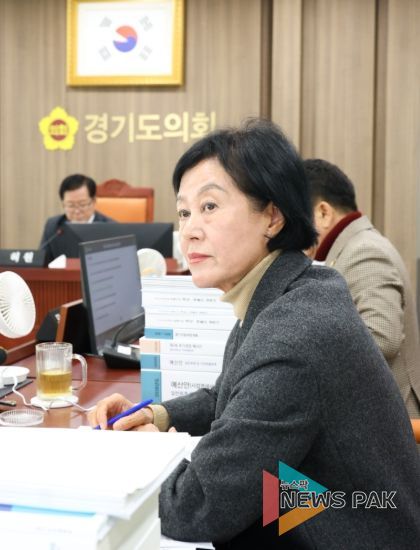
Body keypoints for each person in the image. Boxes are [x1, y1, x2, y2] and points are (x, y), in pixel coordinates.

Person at [89, 120, 420, 549]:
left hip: (351, 528)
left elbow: (195, 507)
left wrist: (148, 451)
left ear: (272, 216)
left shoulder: (293, 334)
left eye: (210, 206)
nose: (189, 230)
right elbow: (228, 394)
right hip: (320, 501)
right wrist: (157, 415)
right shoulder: (287, 289)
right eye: (185, 212)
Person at [304, 158, 420, 419]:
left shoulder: (363, 251)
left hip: (389, 424)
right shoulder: (350, 248)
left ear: (323, 213)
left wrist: (302, 356)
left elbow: (381, 339)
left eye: (297, 219)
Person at [39, 173, 113, 261]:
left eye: (82, 204)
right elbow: (42, 262)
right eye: (71, 205)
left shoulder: (110, 228)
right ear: (63, 204)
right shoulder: (53, 226)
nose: (77, 211)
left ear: (93, 202)